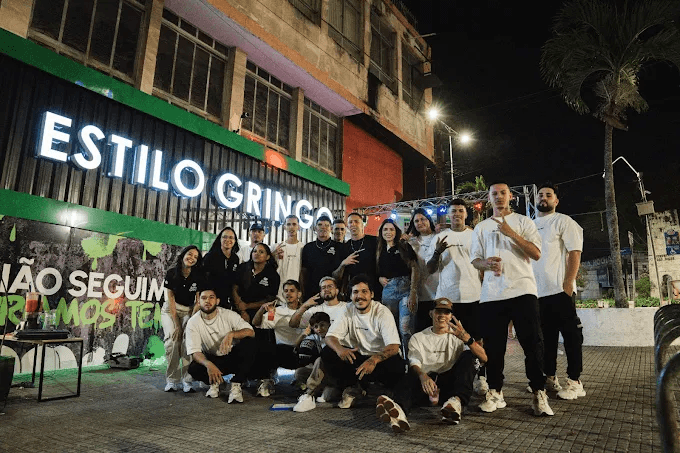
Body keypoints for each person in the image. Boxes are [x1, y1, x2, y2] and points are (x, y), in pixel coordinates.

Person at [470, 181, 553, 416]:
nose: (498, 197)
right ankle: (495, 391)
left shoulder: (524, 222)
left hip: (522, 290)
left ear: (511, 197)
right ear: (489, 198)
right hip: (492, 295)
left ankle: (538, 393)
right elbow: (475, 260)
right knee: (494, 348)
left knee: (532, 344)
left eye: (503, 193)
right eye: (494, 194)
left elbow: (536, 254)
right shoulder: (481, 227)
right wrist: (486, 263)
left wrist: (511, 233)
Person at [376, 298, 488, 432]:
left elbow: (484, 358)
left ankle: (455, 403)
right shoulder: (418, 337)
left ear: (451, 316)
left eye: (446, 312)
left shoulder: (457, 337)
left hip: (449, 385)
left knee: (470, 357)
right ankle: (399, 412)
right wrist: (423, 376)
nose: (442, 315)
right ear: (431, 313)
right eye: (438, 311)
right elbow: (414, 361)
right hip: (425, 385)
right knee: (410, 372)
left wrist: (467, 339)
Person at [532, 182, 586, 400]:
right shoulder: (530, 224)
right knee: (546, 339)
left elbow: (575, 252)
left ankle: (574, 381)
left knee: (571, 337)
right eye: (540, 194)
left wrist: (568, 282)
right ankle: (550, 378)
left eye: (548, 195)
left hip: (560, 290)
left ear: (556, 201)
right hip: (537, 293)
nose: (543, 197)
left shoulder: (564, 221)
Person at [427, 199, 485, 394]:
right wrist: (437, 253)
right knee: (445, 341)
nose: (457, 214)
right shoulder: (440, 237)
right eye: (453, 211)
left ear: (466, 214)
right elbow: (430, 269)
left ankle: (481, 378)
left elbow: (483, 264)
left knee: (476, 340)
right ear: (448, 215)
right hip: (447, 300)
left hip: (473, 296)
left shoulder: (475, 235)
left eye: (460, 210)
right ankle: (446, 380)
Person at [321, 274, 404, 409]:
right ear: (350, 296)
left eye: (364, 291)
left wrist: (374, 360)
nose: (359, 296)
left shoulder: (382, 312)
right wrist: (340, 350)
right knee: (328, 352)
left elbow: (394, 346)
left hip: (379, 360)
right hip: (359, 359)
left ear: (371, 294)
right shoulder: (347, 309)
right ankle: (353, 388)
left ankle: (380, 390)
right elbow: (330, 337)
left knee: (397, 364)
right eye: (355, 292)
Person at [185, 288, 256, 403]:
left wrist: (232, 334)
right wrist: (208, 364)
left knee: (250, 344)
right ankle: (217, 382)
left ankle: (236, 383)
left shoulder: (228, 315)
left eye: (211, 297)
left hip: (233, 357)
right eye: (204, 298)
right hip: (214, 359)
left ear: (217, 301)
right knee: (194, 369)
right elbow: (195, 352)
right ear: (198, 302)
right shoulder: (193, 322)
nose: (207, 301)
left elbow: (251, 332)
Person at [161, 245, 205, 392]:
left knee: (187, 343)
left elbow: (198, 302)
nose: (192, 258)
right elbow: (171, 301)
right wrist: (178, 326)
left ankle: (187, 380)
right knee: (173, 341)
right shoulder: (172, 273)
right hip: (170, 310)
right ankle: (172, 380)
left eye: (195, 257)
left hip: (189, 311)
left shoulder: (198, 276)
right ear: (183, 254)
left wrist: (190, 322)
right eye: (190, 254)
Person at [250, 279, 305, 396]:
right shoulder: (277, 311)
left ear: (299, 294)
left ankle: (304, 379)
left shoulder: (307, 311)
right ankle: (266, 380)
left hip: (303, 350)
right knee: (263, 345)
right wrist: (262, 309)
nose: (288, 293)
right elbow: (256, 323)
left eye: (292, 291)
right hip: (283, 351)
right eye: (286, 291)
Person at [376, 218, 418, 357]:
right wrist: (379, 278)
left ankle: (409, 361)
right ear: (381, 232)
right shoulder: (378, 249)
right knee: (390, 329)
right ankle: (394, 359)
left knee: (405, 329)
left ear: (396, 231)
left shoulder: (404, 246)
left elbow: (414, 268)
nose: (388, 232)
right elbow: (375, 270)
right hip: (388, 291)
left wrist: (413, 292)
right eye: (385, 229)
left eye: (391, 229)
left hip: (406, 290)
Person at [403, 208, 440, 332]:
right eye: (416, 221)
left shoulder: (439, 237)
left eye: (422, 219)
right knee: (422, 330)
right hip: (422, 292)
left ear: (429, 220)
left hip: (441, 290)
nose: (420, 223)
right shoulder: (412, 242)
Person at [334, 212, 381, 300]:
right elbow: (335, 275)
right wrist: (343, 264)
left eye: (356, 221)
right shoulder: (344, 247)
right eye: (350, 222)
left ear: (363, 224)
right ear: (347, 226)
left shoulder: (374, 241)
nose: (353, 224)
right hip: (354, 292)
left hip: (374, 290)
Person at [232, 243, 280, 323]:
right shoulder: (243, 268)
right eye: (254, 251)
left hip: (260, 313)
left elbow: (270, 299)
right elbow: (234, 288)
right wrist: (242, 310)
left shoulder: (273, 275)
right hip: (239, 309)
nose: (257, 254)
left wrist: (247, 306)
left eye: (261, 252)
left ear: (267, 257)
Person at [300, 215, 343, 300]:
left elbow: (344, 273)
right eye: (320, 225)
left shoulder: (340, 247)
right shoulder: (308, 247)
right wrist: (302, 292)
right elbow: (303, 272)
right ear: (315, 228)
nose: (323, 227)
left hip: (333, 294)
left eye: (326, 225)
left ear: (331, 229)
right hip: (311, 293)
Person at [203, 226, 241, 309]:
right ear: (220, 239)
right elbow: (203, 279)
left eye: (231, 237)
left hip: (227, 301)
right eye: (224, 237)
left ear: (235, 241)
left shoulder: (235, 258)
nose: (227, 240)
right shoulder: (210, 257)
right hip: (211, 300)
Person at [273, 215, 304, 299]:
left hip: (297, 292)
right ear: (284, 227)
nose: (291, 227)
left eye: (294, 224)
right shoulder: (277, 247)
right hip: (279, 292)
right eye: (288, 224)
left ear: (298, 227)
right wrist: (273, 255)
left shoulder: (303, 248)